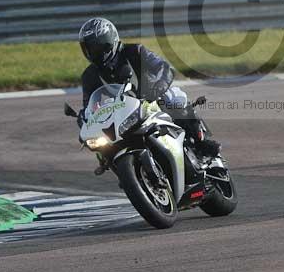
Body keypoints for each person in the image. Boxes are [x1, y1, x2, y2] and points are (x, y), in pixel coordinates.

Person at [78, 17, 221, 164]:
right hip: (122, 116)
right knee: (103, 145)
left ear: (110, 42)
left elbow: (165, 68)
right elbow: (89, 106)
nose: (94, 53)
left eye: (97, 48)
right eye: (89, 49)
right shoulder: (89, 76)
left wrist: (157, 88)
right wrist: (83, 119)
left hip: (151, 99)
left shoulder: (135, 51)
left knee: (174, 97)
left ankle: (201, 143)